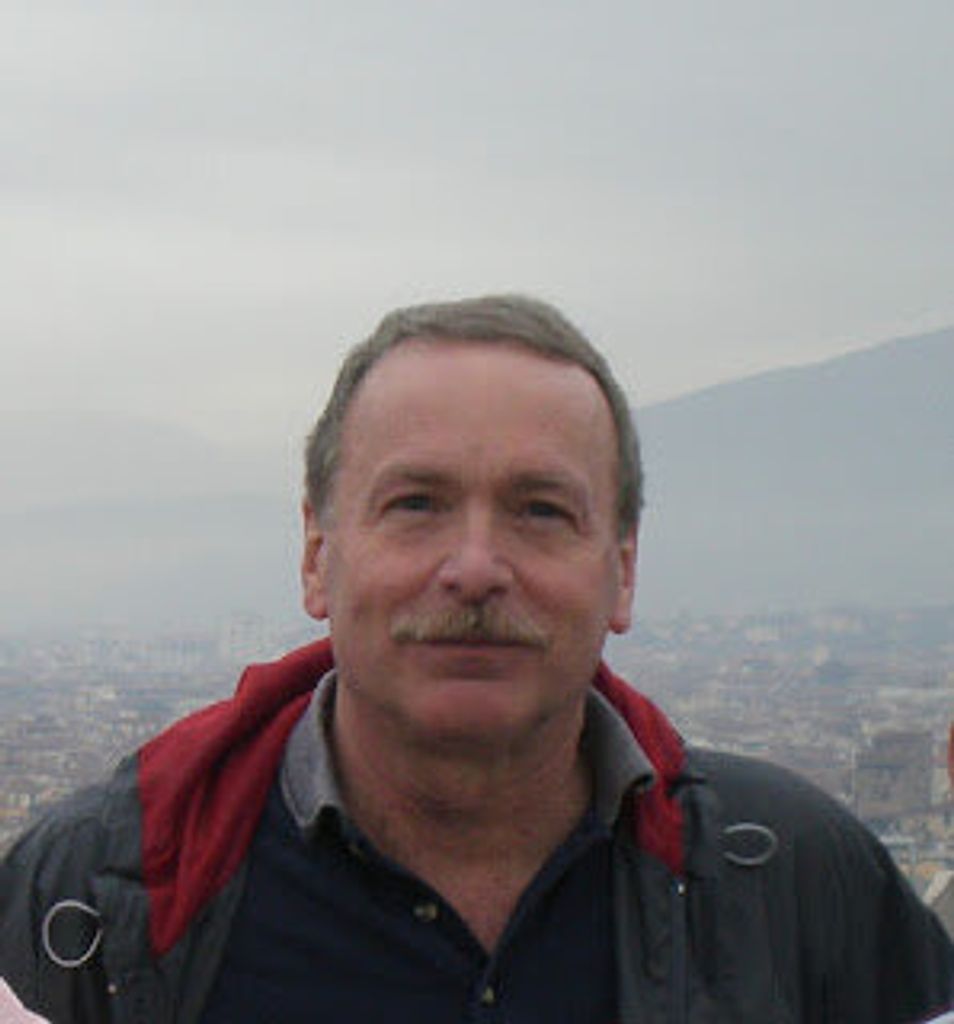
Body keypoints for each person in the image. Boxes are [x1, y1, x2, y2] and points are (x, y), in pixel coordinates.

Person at [1, 294, 951, 1023]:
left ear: (622, 572)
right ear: (317, 555)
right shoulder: (92, 898)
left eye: (540, 510)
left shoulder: (799, 886)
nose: (476, 568)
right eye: (416, 504)